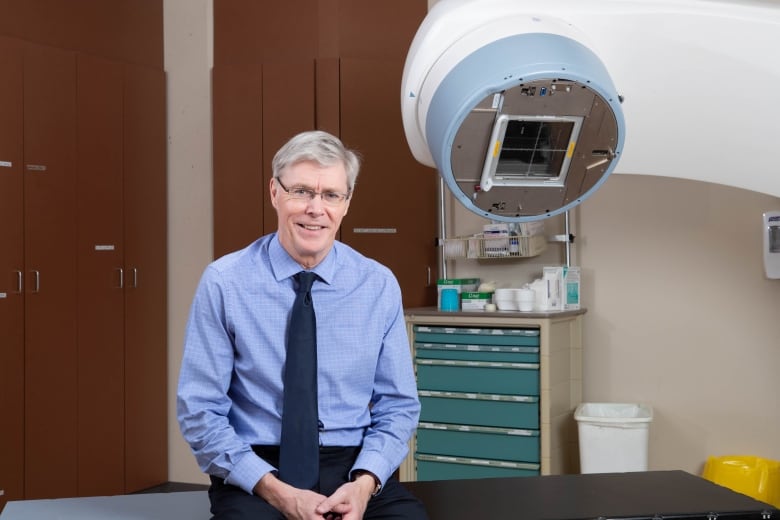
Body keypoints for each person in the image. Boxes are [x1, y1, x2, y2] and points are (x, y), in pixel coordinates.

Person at [177, 130, 429, 520]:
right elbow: (199, 409)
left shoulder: (377, 285)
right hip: (258, 469)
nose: (316, 208)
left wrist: (364, 484)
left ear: (346, 204)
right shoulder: (225, 282)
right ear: (275, 193)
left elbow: (398, 405)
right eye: (301, 192)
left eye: (331, 195)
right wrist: (277, 492)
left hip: (353, 465)